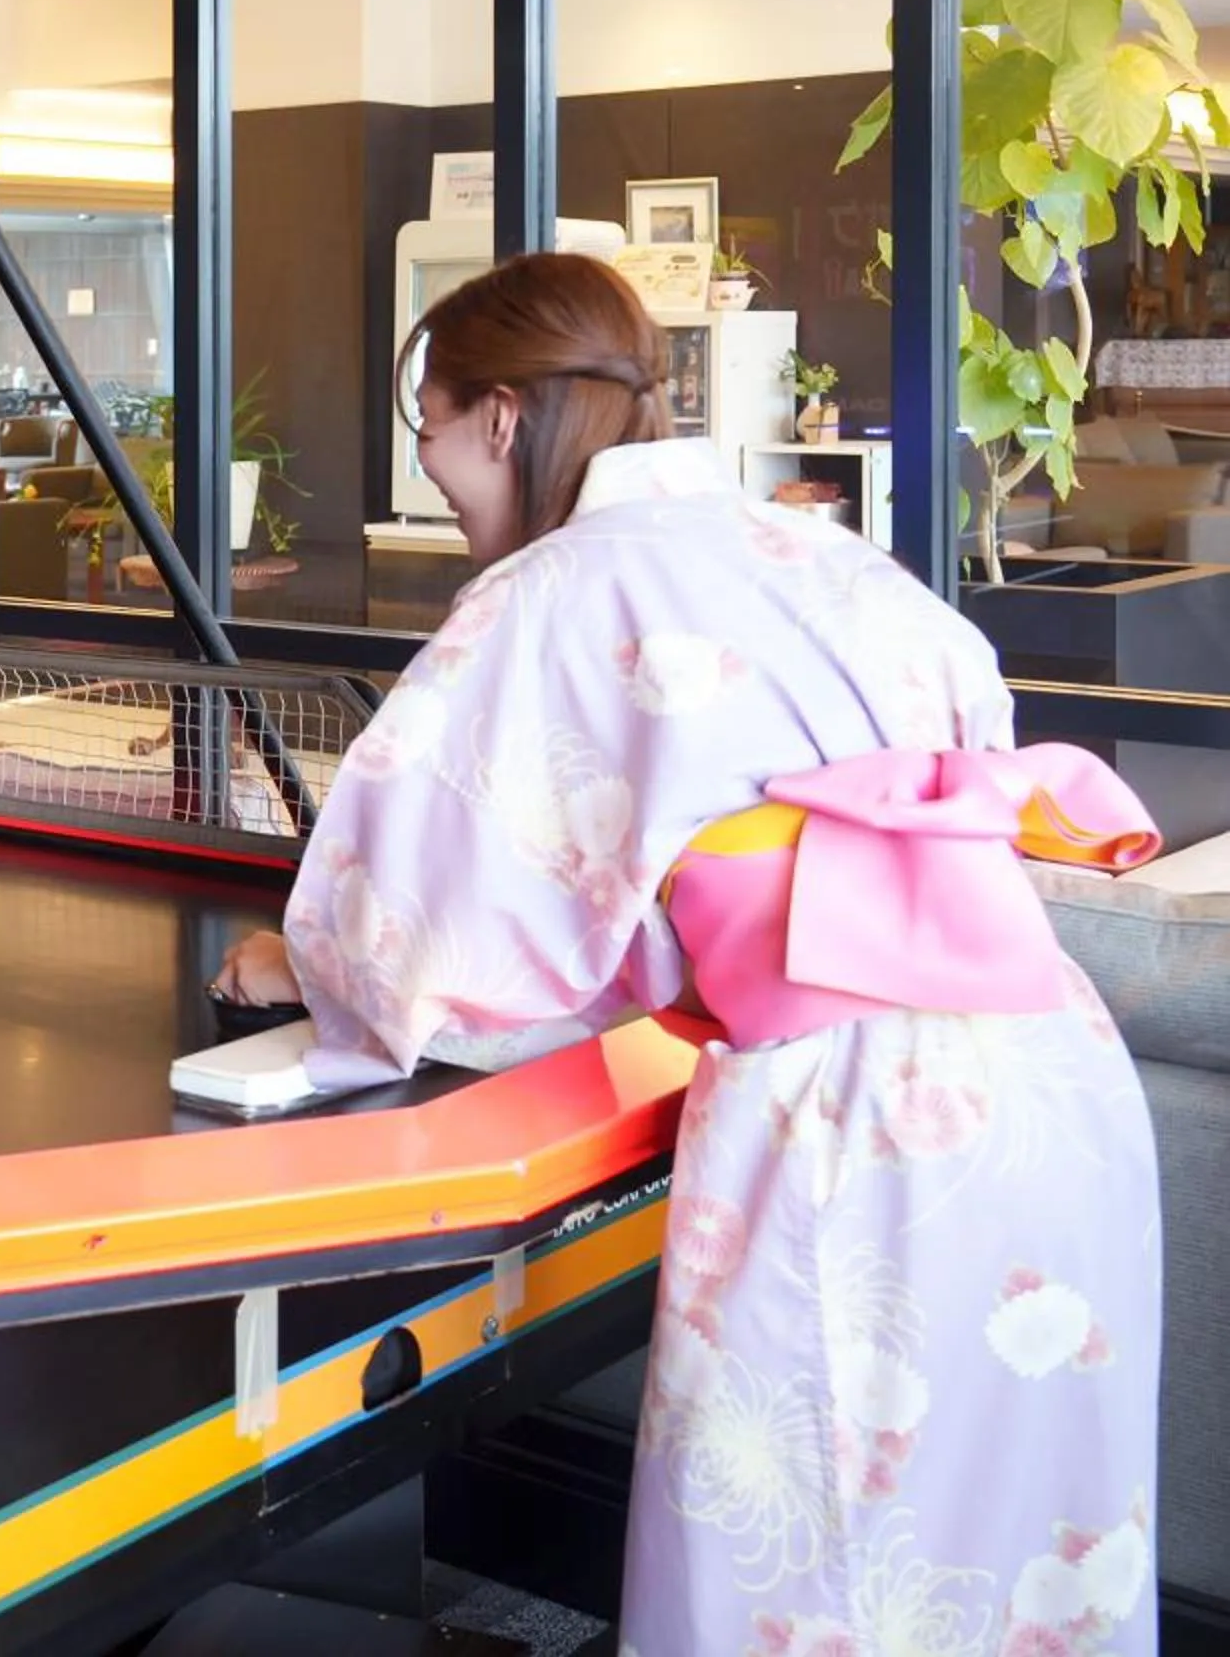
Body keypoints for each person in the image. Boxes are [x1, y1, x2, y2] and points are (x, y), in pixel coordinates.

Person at [213, 253, 1163, 1651]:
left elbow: (419, 896)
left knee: (812, 1568)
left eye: (427, 432)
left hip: (853, 1122)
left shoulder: (549, 596)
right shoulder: (819, 550)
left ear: (497, 417)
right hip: (1056, 1090)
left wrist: (314, 967)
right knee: (1028, 1559)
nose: (432, 475)